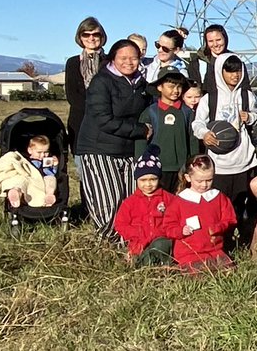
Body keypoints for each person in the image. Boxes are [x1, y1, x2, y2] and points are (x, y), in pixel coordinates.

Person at [77, 39, 153, 241]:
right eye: (123, 58)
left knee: (129, 201)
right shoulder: (101, 81)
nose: (129, 62)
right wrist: (140, 130)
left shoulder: (142, 84)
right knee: (108, 202)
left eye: (134, 58)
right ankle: (107, 242)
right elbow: (103, 119)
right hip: (99, 148)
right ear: (113, 58)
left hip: (128, 150)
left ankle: (128, 242)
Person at [191, 53, 257, 251]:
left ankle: (245, 242)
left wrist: (251, 117)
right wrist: (204, 134)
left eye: (238, 70)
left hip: (244, 160)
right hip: (219, 164)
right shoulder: (209, 99)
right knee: (220, 207)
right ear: (220, 72)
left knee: (242, 207)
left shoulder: (247, 96)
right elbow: (197, 123)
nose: (235, 75)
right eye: (229, 71)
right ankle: (221, 243)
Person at [164, 155, 236, 274]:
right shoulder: (179, 201)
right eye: (199, 181)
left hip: (215, 250)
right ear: (188, 177)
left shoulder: (218, 197)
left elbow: (230, 218)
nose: (204, 185)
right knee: (198, 279)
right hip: (188, 253)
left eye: (209, 180)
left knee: (229, 275)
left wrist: (219, 227)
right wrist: (180, 231)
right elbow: (167, 226)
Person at [136, 69, 197, 192]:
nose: (176, 90)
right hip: (157, 168)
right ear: (159, 87)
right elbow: (141, 142)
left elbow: (192, 139)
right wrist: (141, 165)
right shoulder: (150, 112)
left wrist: (193, 163)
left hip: (181, 168)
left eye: (179, 86)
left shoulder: (187, 112)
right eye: (171, 86)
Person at [114, 146, 175, 266]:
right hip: (139, 243)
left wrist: (161, 232)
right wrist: (139, 232)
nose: (148, 184)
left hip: (160, 240)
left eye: (153, 179)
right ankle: (143, 262)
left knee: (161, 245)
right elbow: (120, 224)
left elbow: (176, 218)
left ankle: (159, 264)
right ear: (137, 180)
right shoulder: (129, 202)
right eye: (143, 180)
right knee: (141, 255)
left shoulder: (168, 199)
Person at [66, 17, 107, 165]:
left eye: (95, 34)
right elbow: (72, 95)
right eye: (86, 34)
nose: (91, 38)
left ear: (102, 37)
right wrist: (92, 111)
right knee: (83, 171)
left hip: (106, 123)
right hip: (80, 123)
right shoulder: (72, 63)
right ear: (80, 37)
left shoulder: (110, 61)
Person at [189, 24, 247, 94]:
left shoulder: (236, 61)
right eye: (210, 41)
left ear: (225, 39)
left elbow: (245, 88)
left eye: (218, 40)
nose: (215, 44)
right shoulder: (197, 64)